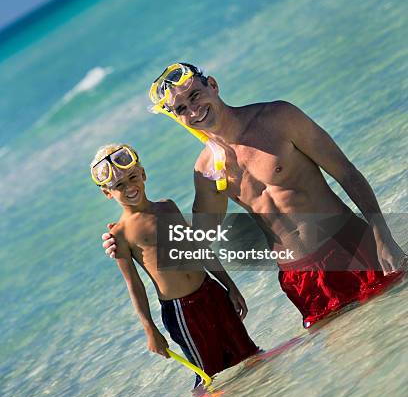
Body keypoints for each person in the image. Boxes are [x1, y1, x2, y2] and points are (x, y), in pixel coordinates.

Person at [103, 64, 407, 329]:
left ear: (213, 85)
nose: (193, 110)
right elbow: (199, 241)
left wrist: (383, 235)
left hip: (350, 246)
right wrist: (132, 229)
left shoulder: (278, 117)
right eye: (181, 109)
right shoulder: (208, 170)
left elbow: (346, 172)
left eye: (194, 95)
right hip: (299, 277)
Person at [91, 143, 259, 386]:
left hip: (211, 293)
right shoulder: (121, 234)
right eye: (118, 186)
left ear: (143, 173)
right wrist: (149, 328)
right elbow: (134, 285)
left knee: (248, 354)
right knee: (209, 377)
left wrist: (229, 286)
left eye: (132, 177)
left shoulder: (167, 207)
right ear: (108, 193)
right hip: (182, 311)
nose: (129, 187)